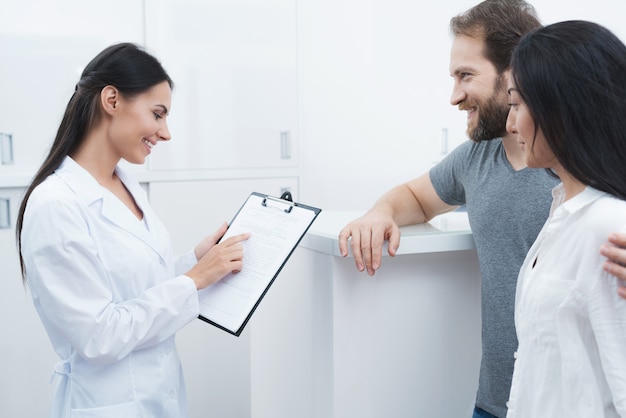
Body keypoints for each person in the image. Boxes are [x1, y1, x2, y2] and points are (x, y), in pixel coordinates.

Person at [339, 1, 554, 416]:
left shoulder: (581, 163)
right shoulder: (476, 157)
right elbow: (416, 197)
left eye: (465, 76)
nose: (455, 96)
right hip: (493, 401)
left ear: (515, 72)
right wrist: (380, 213)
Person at [15, 43, 250, 417]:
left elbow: (134, 286)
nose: (166, 132)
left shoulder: (125, 184)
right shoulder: (55, 205)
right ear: (112, 99)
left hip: (158, 396)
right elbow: (99, 335)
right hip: (108, 405)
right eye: (158, 114)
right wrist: (194, 280)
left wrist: (194, 262)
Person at [505, 20, 626, 417]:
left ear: (561, 109)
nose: (511, 123)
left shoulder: (606, 227)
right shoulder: (564, 209)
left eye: (517, 104)